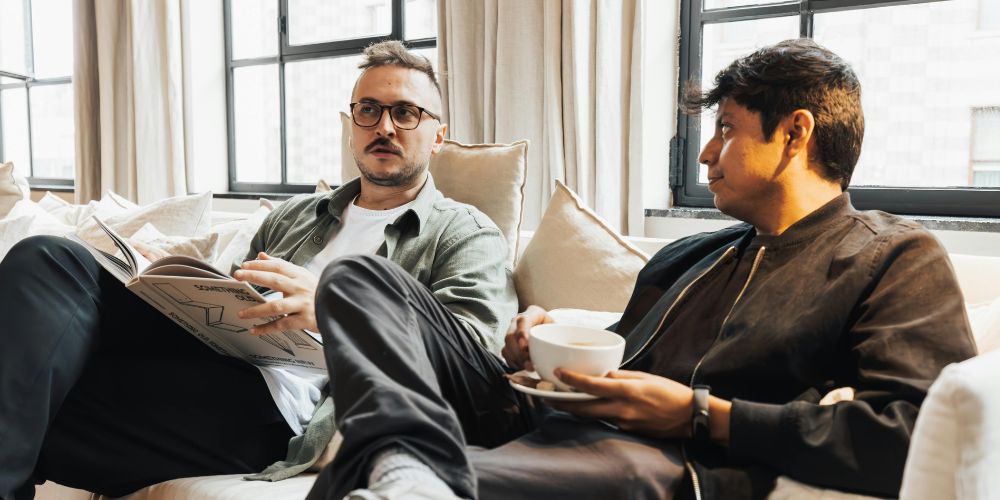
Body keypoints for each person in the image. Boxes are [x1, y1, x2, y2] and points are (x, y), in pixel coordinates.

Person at [306, 39, 977, 500]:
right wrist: (537, 355)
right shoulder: (697, 252)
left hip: (661, 459)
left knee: (373, 465)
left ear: (796, 133)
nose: (707, 153)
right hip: (543, 417)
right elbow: (616, 356)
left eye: (728, 130)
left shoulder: (889, 256)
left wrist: (700, 414)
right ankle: (410, 462)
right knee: (358, 281)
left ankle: (403, 464)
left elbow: (915, 433)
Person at [0, 41, 515, 500]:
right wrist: (165, 282)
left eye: (405, 113)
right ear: (350, 123)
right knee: (48, 258)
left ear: (438, 135)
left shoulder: (464, 232)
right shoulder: (295, 215)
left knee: (34, 399)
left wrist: (334, 312)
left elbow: (471, 361)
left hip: (286, 413)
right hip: (213, 363)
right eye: (370, 110)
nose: (384, 126)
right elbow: (225, 296)